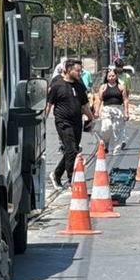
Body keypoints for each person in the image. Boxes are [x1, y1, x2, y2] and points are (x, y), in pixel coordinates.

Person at [43, 59, 94, 189]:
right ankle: (72, 179)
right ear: (69, 70)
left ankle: (57, 174)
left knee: (73, 149)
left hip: (77, 121)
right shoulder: (57, 85)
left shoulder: (79, 86)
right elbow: (49, 104)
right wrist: (43, 120)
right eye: (77, 71)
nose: (79, 73)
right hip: (63, 121)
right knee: (72, 150)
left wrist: (91, 119)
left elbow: (84, 105)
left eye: (81, 71)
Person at [93, 68, 130, 152]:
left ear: (116, 76)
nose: (111, 77)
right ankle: (106, 142)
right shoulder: (103, 87)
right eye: (109, 76)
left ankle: (116, 149)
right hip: (107, 110)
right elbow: (99, 99)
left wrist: (126, 112)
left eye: (113, 76)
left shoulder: (121, 87)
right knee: (106, 128)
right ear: (107, 77)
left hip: (118, 109)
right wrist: (97, 111)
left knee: (117, 129)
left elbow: (125, 100)